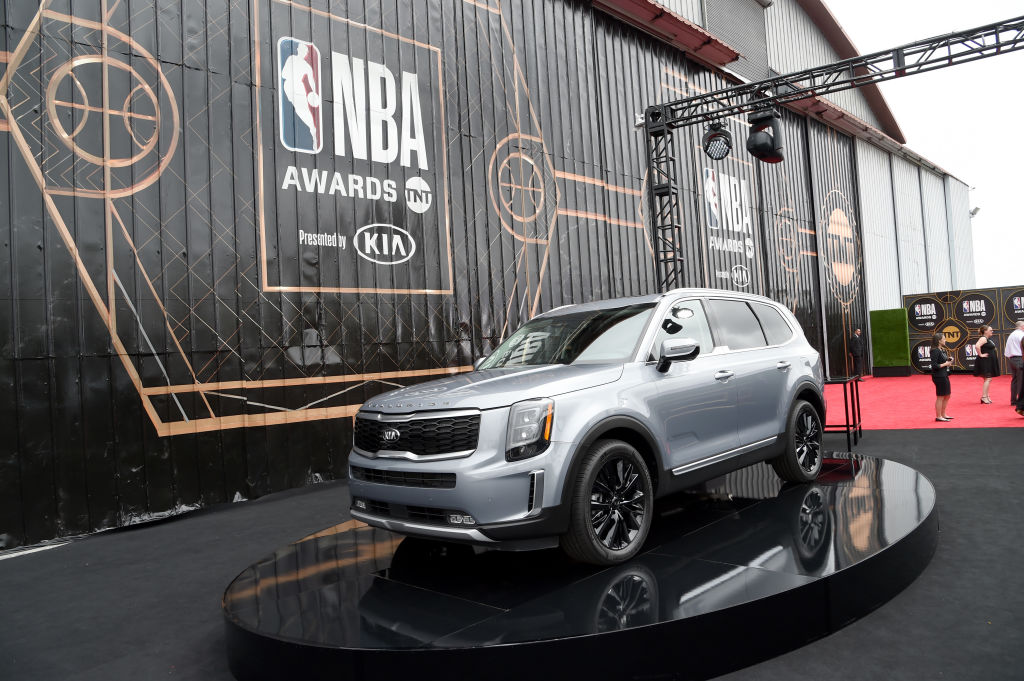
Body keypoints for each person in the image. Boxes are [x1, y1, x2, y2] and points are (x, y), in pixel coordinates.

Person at [930, 332, 953, 422]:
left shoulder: (942, 350)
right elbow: (934, 365)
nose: (945, 340)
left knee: (947, 395)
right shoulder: (935, 350)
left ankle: (943, 414)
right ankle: (938, 416)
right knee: (940, 396)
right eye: (944, 338)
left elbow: (942, 361)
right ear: (939, 341)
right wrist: (946, 364)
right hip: (938, 376)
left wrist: (948, 360)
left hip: (944, 374)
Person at [972, 324, 999, 404]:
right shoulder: (983, 338)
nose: (992, 331)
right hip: (985, 361)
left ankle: (986, 396)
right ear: (985, 331)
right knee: (988, 379)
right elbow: (977, 346)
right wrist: (981, 354)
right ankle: (984, 397)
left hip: (988, 361)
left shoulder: (987, 339)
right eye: (990, 330)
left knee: (987, 379)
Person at [1004, 321, 1024, 406]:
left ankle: (1013, 401)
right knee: (1021, 381)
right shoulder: (1021, 335)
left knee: (1014, 381)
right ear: (1022, 326)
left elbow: (1006, 351)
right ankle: (1021, 402)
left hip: (1012, 359)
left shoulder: (1011, 335)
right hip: (1020, 359)